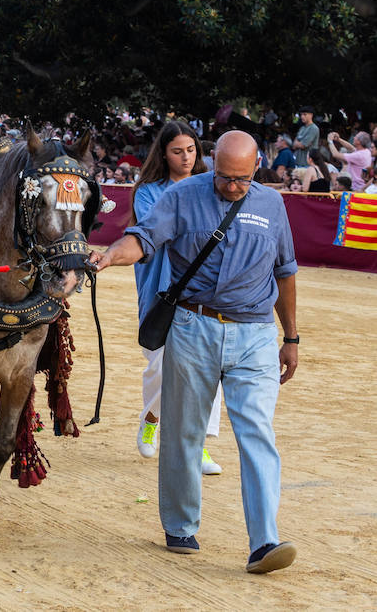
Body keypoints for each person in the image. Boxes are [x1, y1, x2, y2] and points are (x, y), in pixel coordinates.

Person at [88, 130, 299, 574]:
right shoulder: (183, 196)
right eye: (224, 176)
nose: (231, 186)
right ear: (212, 163)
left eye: (241, 179)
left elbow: (285, 271)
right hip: (192, 325)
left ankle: (265, 541)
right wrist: (110, 256)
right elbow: (143, 239)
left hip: (256, 335)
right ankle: (181, 525)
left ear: (256, 167)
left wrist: (291, 337)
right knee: (184, 432)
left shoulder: (271, 204)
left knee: (257, 435)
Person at [129, 121, 224, 473]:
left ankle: (197, 445)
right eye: (177, 151)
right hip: (161, 289)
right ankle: (151, 417)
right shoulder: (148, 192)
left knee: (208, 367)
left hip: (207, 289)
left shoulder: (213, 187)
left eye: (191, 150)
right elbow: (159, 233)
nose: (186, 158)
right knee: (160, 365)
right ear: (163, 154)